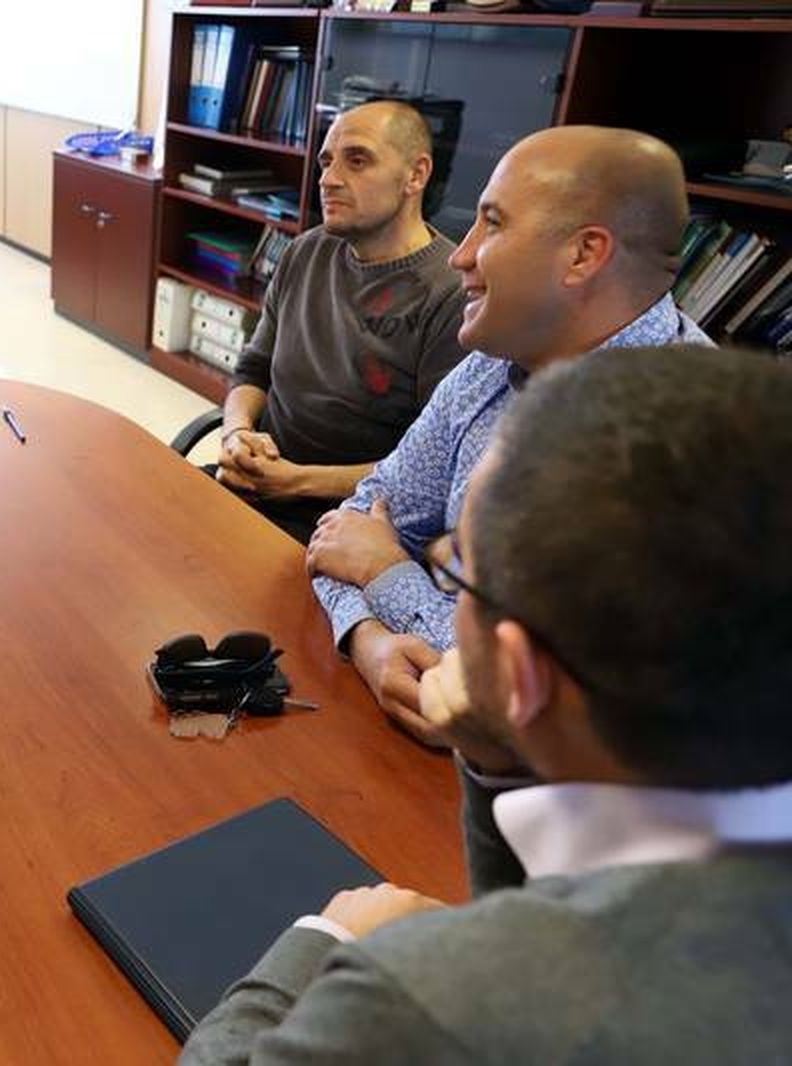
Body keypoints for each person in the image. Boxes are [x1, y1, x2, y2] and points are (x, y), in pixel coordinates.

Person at [180, 343, 792, 1064]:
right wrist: (498, 749)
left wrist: (324, 944)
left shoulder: (425, 997)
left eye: (459, 572)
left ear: (519, 669)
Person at [306, 126, 710, 739]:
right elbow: (351, 529)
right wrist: (367, 641)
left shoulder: (681, 441)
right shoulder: (500, 357)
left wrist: (385, 575)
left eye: (492, 224)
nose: (460, 255)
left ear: (583, 255)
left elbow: (541, 696)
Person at [216, 100, 466, 544]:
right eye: (326, 162)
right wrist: (237, 433)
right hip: (260, 483)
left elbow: (431, 469)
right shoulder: (305, 251)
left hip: (351, 521)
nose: (328, 179)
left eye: (357, 160)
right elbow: (253, 369)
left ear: (416, 175)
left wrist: (296, 482)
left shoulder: (452, 295)